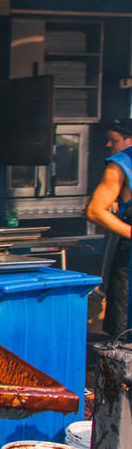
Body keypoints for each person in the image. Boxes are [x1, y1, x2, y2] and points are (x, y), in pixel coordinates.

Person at [85, 118, 132, 339]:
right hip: (129, 258)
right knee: (125, 330)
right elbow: (94, 211)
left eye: (113, 140)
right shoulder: (121, 164)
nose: (108, 144)